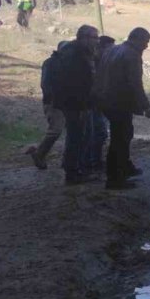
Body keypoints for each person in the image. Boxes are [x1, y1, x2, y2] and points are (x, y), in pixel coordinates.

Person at [95, 27, 150, 190]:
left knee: (124, 134)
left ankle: (126, 167)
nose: (146, 46)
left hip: (106, 100)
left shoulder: (114, 49)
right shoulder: (131, 55)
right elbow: (135, 83)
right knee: (120, 139)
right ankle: (114, 179)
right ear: (136, 39)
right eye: (145, 42)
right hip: (119, 102)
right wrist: (146, 106)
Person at [51, 25, 100, 185]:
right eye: (94, 38)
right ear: (84, 37)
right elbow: (74, 84)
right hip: (75, 105)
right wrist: (81, 106)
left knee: (80, 136)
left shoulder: (79, 52)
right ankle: (73, 173)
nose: (97, 41)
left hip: (78, 104)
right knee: (77, 138)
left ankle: (74, 168)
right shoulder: (74, 55)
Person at [25, 41, 70, 170]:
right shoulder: (50, 63)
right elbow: (45, 83)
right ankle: (39, 153)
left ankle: (63, 158)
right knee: (55, 130)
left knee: (66, 130)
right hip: (54, 102)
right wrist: (52, 99)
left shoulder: (64, 62)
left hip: (65, 102)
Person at [83, 36, 116, 175]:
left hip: (100, 103)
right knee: (95, 133)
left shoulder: (102, 62)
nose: (111, 51)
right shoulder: (91, 62)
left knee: (100, 133)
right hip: (91, 104)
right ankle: (91, 162)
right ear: (101, 47)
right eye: (109, 48)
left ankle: (94, 160)